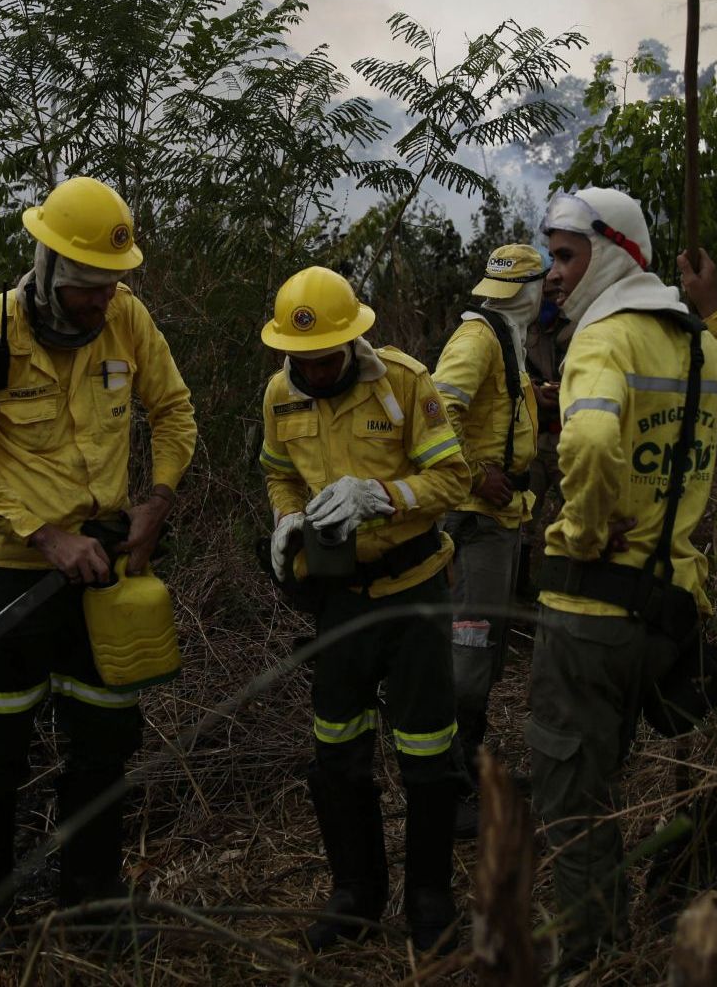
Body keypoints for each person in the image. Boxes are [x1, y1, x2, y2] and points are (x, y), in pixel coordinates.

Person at [0, 175, 197, 952]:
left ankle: (92, 904)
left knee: (104, 739)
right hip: (10, 577)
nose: (101, 302)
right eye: (86, 288)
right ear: (45, 268)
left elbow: (174, 411)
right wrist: (45, 534)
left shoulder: (127, 321)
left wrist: (157, 501)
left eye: (113, 286)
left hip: (105, 573)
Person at [527, 188, 717, 968]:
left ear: (620, 252)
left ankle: (591, 958)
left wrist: (589, 529)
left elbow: (590, 441)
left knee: (574, 804)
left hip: (588, 613)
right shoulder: (697, 343)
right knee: (610, 778)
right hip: (665, 619)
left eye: (566, 256)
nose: (553, 275)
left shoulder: (603, 340)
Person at [256, 265, 472, 954]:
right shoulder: (278, 396)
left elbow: (452, 478)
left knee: (428, 749)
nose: (313, 374)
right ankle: (355, 895)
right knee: (338, 749)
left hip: (413, 589)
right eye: (301, 361)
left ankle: (430, 896)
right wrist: (287, 519)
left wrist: (380, 495)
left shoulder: (405, 382)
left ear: (351, 342)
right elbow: (278, 470)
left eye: (324, 361)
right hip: (338, 597)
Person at [429, 244, 547, 838]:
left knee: (487, 649)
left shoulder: (507, 337)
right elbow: (436, 411)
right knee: (468, 652)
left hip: (502, 525)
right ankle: (448, 792)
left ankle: (470, 769)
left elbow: (492, 409)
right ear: (528, 290)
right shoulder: (478, 340)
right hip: (474, 523)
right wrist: (476, 473)